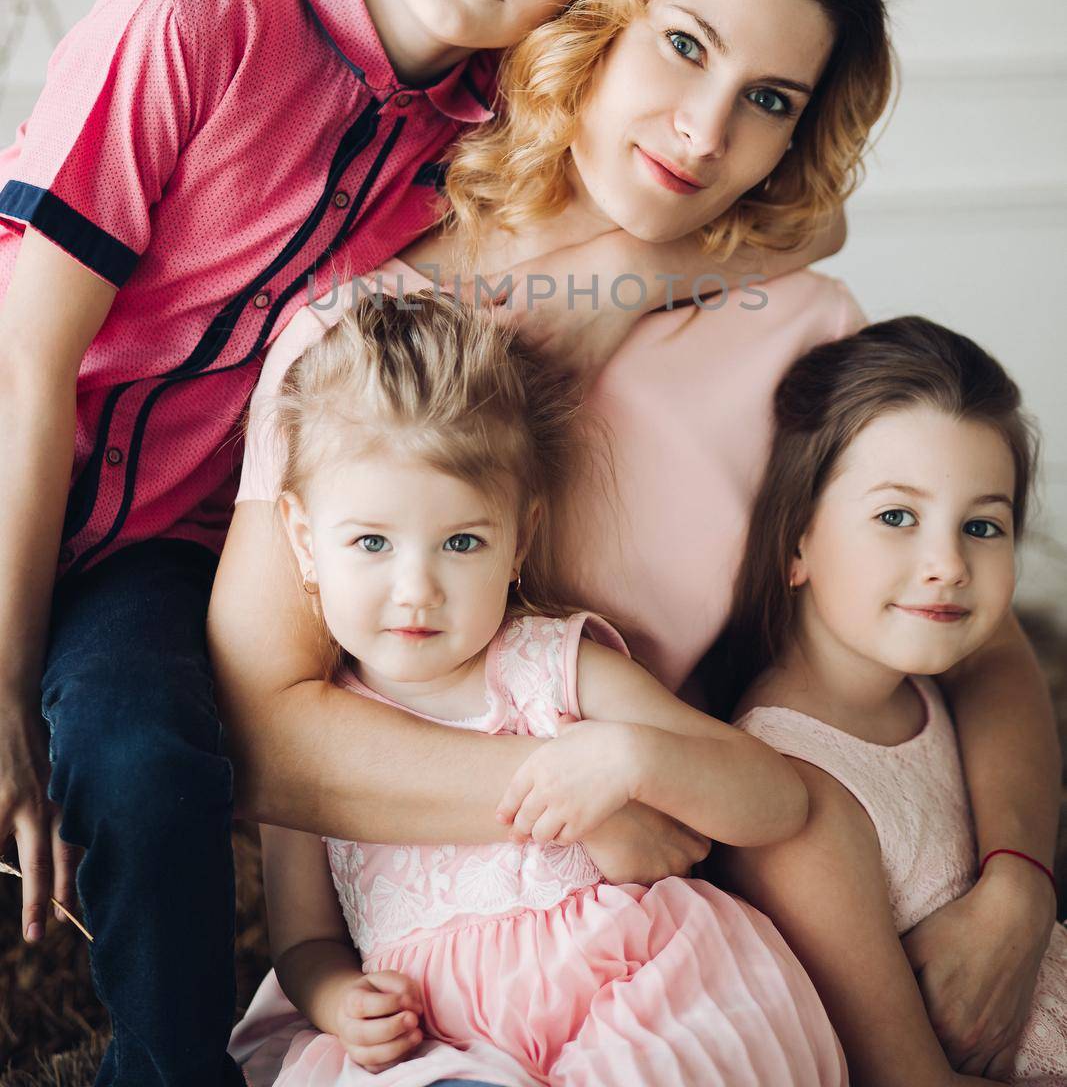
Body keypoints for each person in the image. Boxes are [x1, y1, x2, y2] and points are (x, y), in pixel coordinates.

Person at [211, 0, 1058, 1077]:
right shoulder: (362, 347)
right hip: (434, 938)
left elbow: (966, 626)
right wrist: (589, 791)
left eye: (769, 100)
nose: (704, 131)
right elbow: (264, 733)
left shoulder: (802, 325)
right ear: (599, 19)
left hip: (697, 913)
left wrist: (1017, 882)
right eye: (682, 45)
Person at [0, 0, 678, 1087]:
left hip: (158, 547)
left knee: (144, 756)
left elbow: (745, 198)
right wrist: (5, 673)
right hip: (17, 462)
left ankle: (169, 1066)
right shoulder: (192, 22)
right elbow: (27, 364)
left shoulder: (484, 147)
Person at [230, 291, 847, 1086]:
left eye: (460, 542)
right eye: (371, 542)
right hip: (440, 1035)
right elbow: (305, 941)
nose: (415, 588)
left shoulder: (549, 666)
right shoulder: (321, 740)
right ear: (304, 542)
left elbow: (775, 802)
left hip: (626, 991)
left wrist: (631, 758)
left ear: (519, 540)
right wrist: (340, 997)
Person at [715, 316, 1066, 1086]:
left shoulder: (928, 692)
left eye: (982, 525)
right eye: (896, 517)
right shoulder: (795, 785)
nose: (945, 564)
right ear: (796, 541)